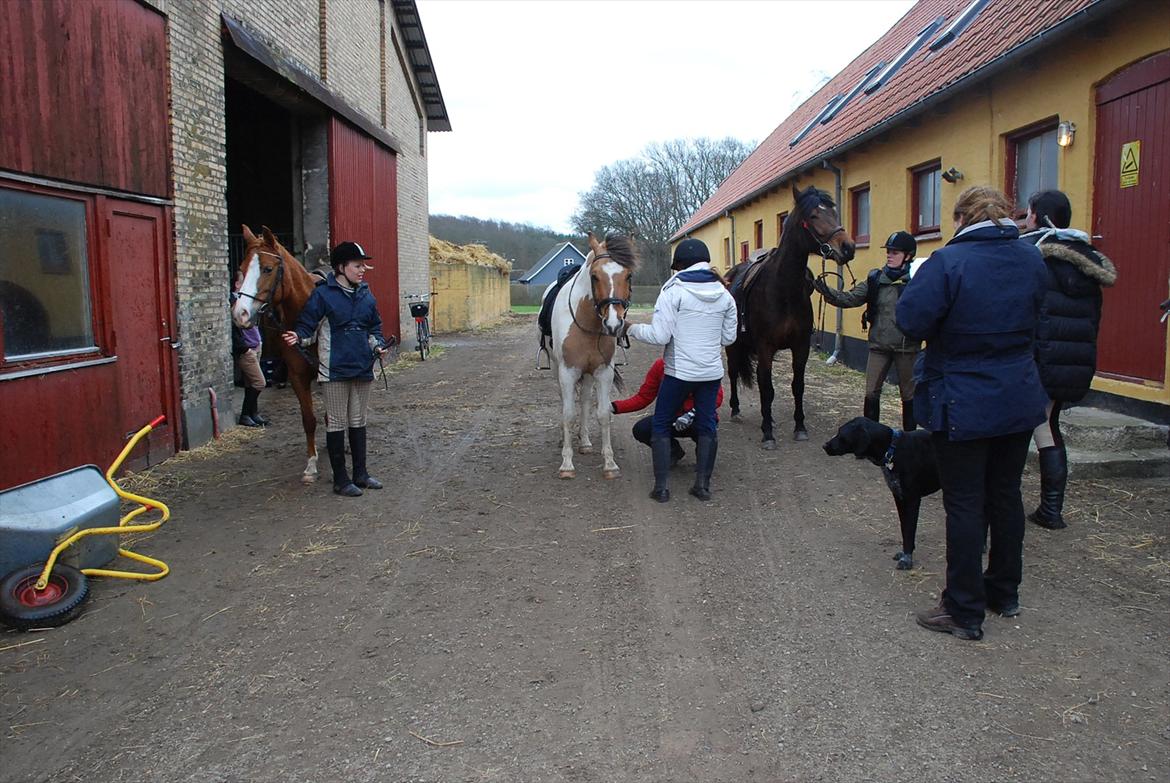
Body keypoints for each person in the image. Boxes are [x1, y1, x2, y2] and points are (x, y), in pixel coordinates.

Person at [895, 186, 1049, 641]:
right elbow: (1039, 312)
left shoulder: (948, 262)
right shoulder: (1030, 259)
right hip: (1019, 395)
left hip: (962, 395)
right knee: (1005, 493)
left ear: (962, 217)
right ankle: (1003, 591)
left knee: (964, 500)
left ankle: (963, 609)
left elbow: (912, 321)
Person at [1019, 190, 1117, 530]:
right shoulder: (1088, 263)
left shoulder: (1034, 258)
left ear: (1037, 217)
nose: (1025, 218)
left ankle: (1008, 505)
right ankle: (1051, 509)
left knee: (1018, 431)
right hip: (1071, 362)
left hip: (1036, 361)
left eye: (1029, 212)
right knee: (1047, 427)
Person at [626, 238, 737, 502]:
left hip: (678, 372)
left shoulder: (672, 291)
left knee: (662, 424)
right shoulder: (725, 294)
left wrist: (630, 328)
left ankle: (662, 489)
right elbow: (728, 338)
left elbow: (660, 335)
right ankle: (702, 487)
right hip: (710, 373)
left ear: (680, 265)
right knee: (707, 424)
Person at [282, 241, 389, 497]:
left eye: (363, 265)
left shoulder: (366, 294)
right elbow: (308, 326)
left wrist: (378, 346)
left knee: (358, 420)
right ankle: (341, 479)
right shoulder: (322, 295)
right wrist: (298, 337)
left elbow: (374, 326)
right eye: (357, 265)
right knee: (337, 423)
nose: (363, 270)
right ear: (341, 267)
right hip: (335, 368)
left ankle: (360, 474)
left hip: (362, 366)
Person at [813, 230, 921, 429]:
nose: (889, 254)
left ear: (908, 256)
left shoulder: (918, 282)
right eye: (888, 251)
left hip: (908, 348)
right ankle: (870, 438)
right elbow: (849, 298)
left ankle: (910, 440)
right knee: (871, 393)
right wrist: (823, 289)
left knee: (909, 395)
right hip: (879, 345)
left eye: (895, 252)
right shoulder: (875, 279)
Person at [611, 357, 725, 465]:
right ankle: (673, 450)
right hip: (670, 418)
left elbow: (716, 397)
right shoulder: (660, 365)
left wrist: (691, 414)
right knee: (641, 429)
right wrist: (614, 407)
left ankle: (703, 453)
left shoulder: (703, 364)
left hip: (698, 417)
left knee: (706, 430)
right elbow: (643, 397)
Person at [233, 322, 269, 427]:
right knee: (259, 383)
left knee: (250, 384)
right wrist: (246, 350)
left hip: (255, 347)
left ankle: (253, 413)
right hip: (247, 351)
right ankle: (245, 414)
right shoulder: (237, 312)